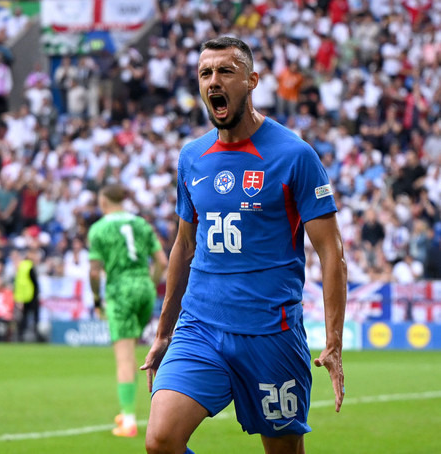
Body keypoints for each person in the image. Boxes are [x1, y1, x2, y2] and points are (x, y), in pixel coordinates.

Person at [141, 37, 347, 454]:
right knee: (160, 441)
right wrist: (164, 331)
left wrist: (334, 341)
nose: (213, 81)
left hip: (270, 334)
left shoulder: (294, 155)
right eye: (205, 73)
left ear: (251, 81)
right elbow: (183, 246)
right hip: (200, 327)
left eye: (225, 72)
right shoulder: (191, 157)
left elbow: (332, 253)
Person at [88, 184, 168, 437]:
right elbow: (162, 262)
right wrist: (149, 285)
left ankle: (129, 421)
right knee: (132, 348)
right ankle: (132, 411)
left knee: (123, 357)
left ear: (103, 202)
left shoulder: (99, 228)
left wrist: (96, 299)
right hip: (143, 287)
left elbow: (93, 271)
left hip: (119, 290)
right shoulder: (142, 224)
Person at [14, 248, 43, 342]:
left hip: (24, 297)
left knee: (24, 318)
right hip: (32, 296)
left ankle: (20, 336)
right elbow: (35, 283)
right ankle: (36, 337)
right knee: (35, 317)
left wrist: (19, 298)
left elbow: (18, 283)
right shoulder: (30, 266)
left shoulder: (21, 266)